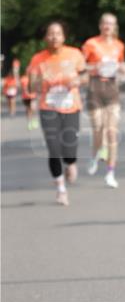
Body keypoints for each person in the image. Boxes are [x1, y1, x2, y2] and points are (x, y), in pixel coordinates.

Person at [27, 21, 87, 206]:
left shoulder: (74, 54)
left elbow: (85, 76)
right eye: (51, 34)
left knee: (69, 146)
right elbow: (31, 86)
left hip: (71, 107)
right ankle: (61, 189)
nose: (54, 37)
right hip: (48, 108)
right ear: (45, 37)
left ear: (63, 36)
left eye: (58, 33)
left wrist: (76, 81)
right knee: (53, 148)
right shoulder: (38, 59)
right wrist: (42, 82)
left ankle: (71, 162)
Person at [82, 13, 125, 189]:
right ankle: (94, 156)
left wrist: (123, 68)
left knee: (111, 132)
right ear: (100, 25)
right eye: (105, 23)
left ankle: (110, 172)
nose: (108, 26)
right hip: (94, 88)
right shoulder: (91, 44)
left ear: (115, 26)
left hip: (111, 89)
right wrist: (96, 67)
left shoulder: (119, 45)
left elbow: (122, 64)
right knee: (98, 129)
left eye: (111, 24)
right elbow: (80, 65)